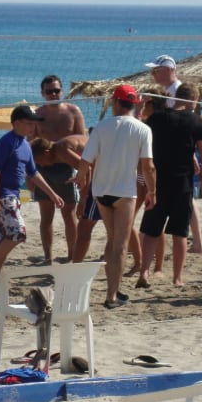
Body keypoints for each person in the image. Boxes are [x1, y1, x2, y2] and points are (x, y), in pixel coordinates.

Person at [75, 84, 156, 308]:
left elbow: (85, 161)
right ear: (134, 104)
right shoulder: (142, 129)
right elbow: (148, 166)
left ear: (116, 102)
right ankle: (111, 296)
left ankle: (115, 290)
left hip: (101, 192)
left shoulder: (101, 127)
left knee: (113, 241)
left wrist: (80, 179)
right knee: (119, 245)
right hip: (124, 193)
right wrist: (152, 191)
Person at [136, 83, 202, 288]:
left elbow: (137, 127)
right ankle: (177, 278)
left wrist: (140, 106)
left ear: (176, 98)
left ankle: (144, 272)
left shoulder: (157, 118)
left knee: (152, 229)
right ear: (193, 100)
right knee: (179, 233)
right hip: (182, 183)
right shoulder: (194, 119)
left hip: (158, 182)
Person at [0, 105, 64, 291]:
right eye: (29, 124)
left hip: (14, 195)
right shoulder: (6, 142)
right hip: (3, 195)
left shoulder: (25, 144)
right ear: (17, 123)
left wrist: (52, 194)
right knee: (18, 233)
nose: (32, 128)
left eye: (33, 124)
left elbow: (33, 173)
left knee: (4, 237)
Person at [33, 75, 86, 263]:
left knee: (69, 214)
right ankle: (48, 257)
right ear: (42, 93)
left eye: (56, 90)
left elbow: (83, 140)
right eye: (49, 91)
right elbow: (31, 144)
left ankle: (72, 255)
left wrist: (83, 171)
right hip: (44, 168)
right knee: (46, 216)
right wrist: (28, 175)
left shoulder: (73, 111)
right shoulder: (38, 114)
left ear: (62, 91)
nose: (53, 94)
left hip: (67, 167)